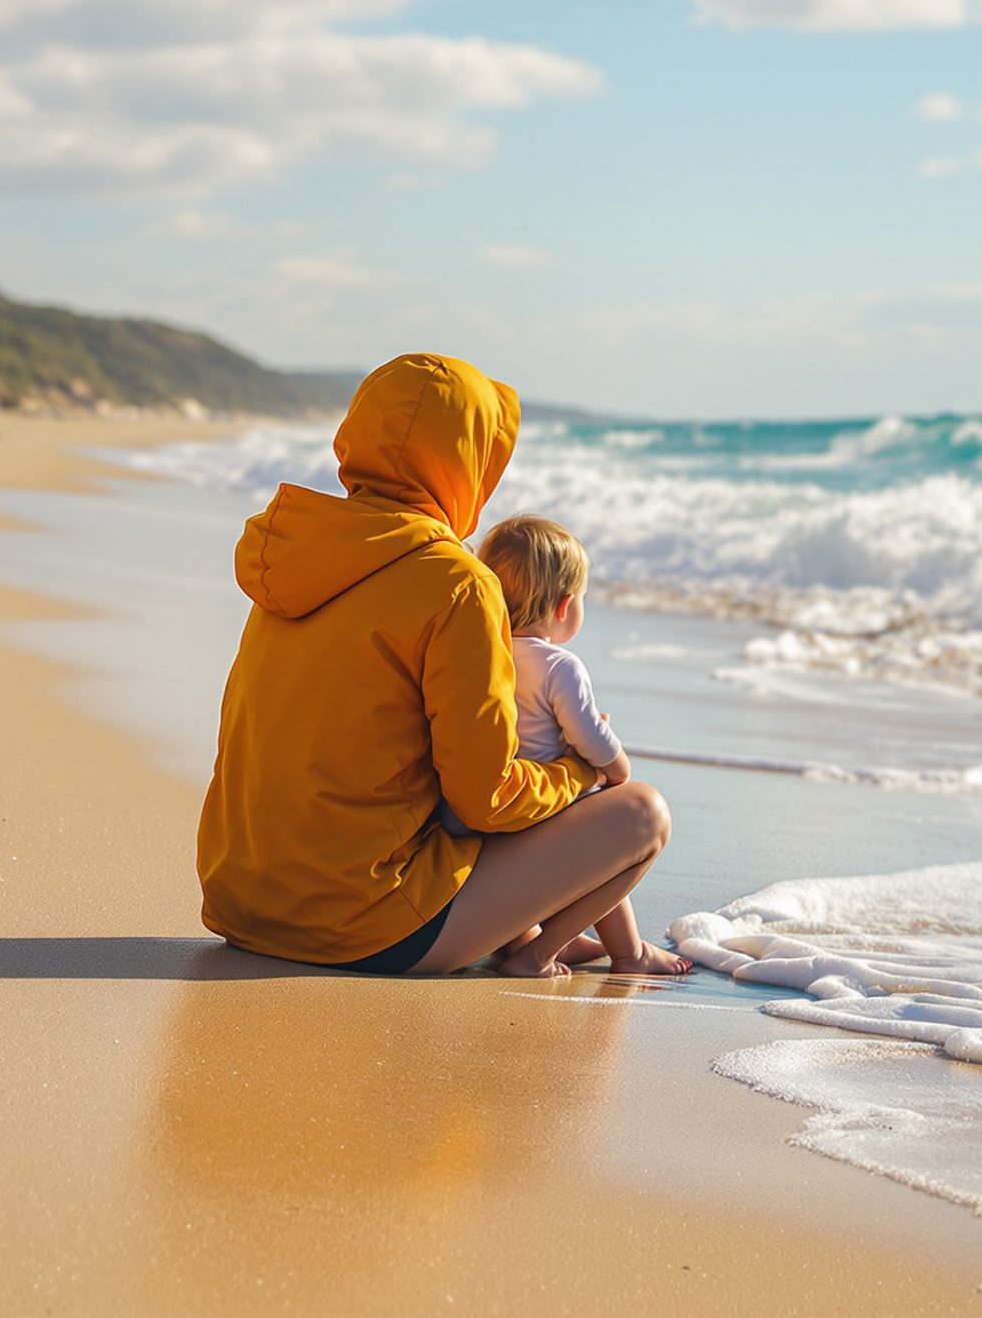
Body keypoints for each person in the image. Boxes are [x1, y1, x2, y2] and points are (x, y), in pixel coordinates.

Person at [196, 353, 674, 979]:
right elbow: (488, 801)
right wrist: (575, 771)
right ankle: (539, 946)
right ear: (464, 463)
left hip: (244, 905)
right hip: (364, 927)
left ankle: (521, 928)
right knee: (641, 812)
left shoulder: (295, 553)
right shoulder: (457, 584)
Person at [471, 514, 690, 976]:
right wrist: (616, 764)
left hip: (486, 824)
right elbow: (589, 735)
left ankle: (530, 939)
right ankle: (594, 952)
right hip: (539, 810)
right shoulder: (559, 666)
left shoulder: (479, 653)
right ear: (564, 605)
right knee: (609, 846)